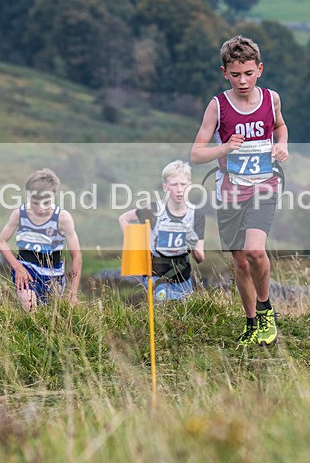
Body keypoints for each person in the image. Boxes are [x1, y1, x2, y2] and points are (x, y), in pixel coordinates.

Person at [190, 35, 288, 346]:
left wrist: (282, 144)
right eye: (235, 75)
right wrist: (225, 148)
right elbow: (195, 154)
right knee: (240, 262)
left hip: (264, 186)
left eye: (248, 73)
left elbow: (280, 126)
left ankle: (266, 310)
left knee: (255, 251)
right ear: (224, 72)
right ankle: (250, 323)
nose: (242, 81)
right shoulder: (217, 106)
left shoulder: (271, 99)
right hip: (229, 192)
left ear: (259, 69)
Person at [118, 160, 205, 302]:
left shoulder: (197, 215)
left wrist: (192, 242)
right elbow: (123, 219)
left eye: (183, 184)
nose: (179, 189)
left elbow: (200, 258)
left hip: (184, 279)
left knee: (182, 318)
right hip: (156, 277)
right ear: (165, 187)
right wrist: (137, 248)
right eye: (174, 184)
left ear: (189, 186)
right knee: (165, 307)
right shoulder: (153, 210)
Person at [0, 169, 81, 310]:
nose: (41, 209)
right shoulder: (19, 214)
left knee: (51, 315)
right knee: (29, 306)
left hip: (54, 273)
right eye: (35, 203)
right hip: (26, 269)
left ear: (54, 197)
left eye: (46, 203)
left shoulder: (63, 218)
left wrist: (73, 292)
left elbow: (76, 255)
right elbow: (1, 241)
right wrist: (17, 267)